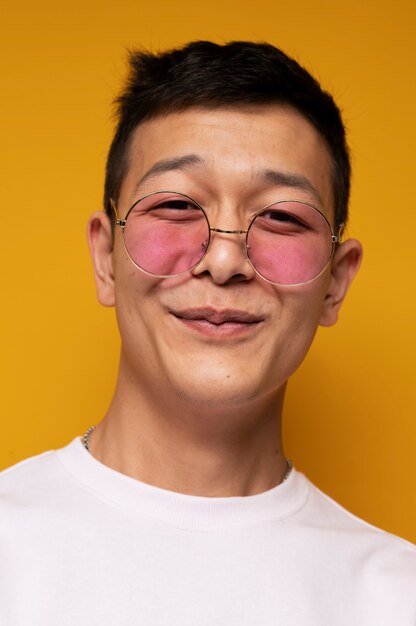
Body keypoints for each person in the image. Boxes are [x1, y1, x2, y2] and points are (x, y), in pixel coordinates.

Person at [1, 40, 415, 625]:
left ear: (336, 282)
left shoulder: (397, 596)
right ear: (104, 256)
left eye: (281, 217)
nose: (224, 261)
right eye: (175, 205)